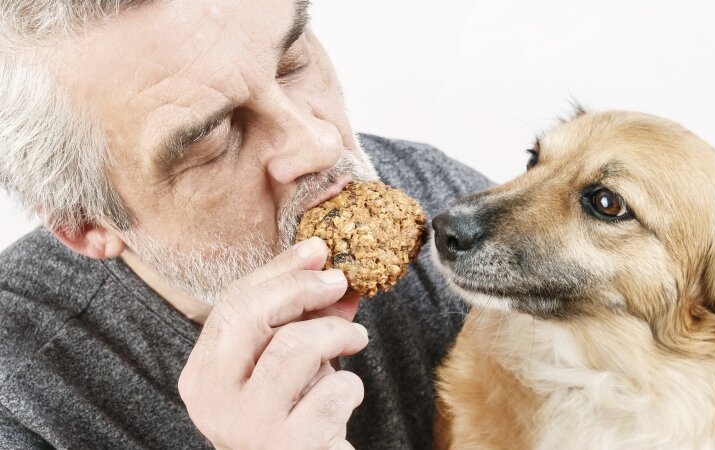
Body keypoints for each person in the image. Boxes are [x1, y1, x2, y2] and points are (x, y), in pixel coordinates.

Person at [0, 0, 490, 448]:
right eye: (211, 136)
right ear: (87, 225)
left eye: (292, 61)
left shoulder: (446, 206)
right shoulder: (20, 407)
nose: (319, 144)